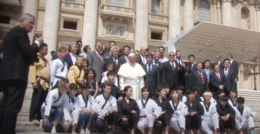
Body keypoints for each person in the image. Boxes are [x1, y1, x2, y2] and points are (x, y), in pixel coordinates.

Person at [0, 13, 44, 134]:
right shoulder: (20, 32)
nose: (32, 26)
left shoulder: (12, 32)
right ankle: (8, 130)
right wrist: (37, 43)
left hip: (8, 74)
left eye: (34, 23)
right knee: (13, 105)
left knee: (5, 103)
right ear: (22, 21)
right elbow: (27, 50)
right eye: (31, 23)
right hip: (16, 74)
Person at [29, 43, 50, 126]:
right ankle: (32, 116)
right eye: (45, 49)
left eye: (47, 49)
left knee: (42, 100)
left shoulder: (46, 60)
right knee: (36, 99)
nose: (46, 51)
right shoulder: (36, 58)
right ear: (40, 50)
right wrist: (33, 82)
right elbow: (32, 70)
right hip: (39, 80)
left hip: (46, 82)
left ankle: (38, 116)